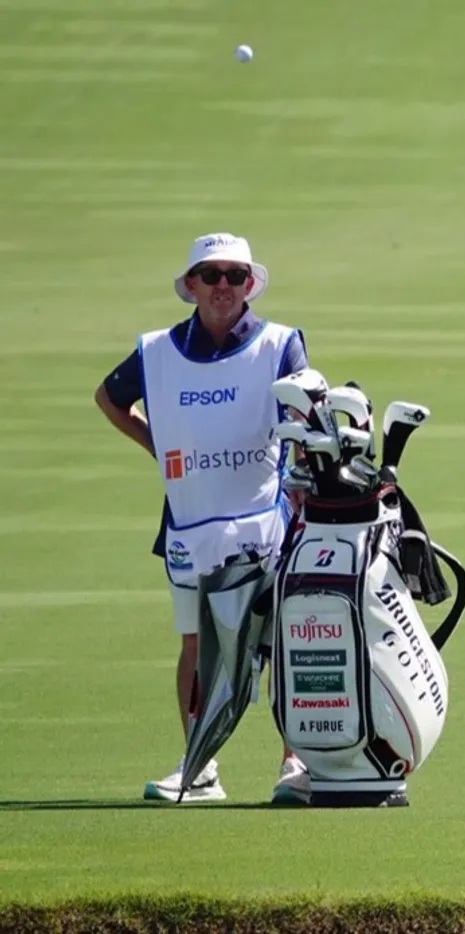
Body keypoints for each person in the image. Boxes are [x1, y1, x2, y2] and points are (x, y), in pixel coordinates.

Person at [95, 232, 312, 804]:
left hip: (266, 520)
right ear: (191, 285)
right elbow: (110, 398)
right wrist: (161, 449)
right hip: (190, 524)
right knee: (195, 643)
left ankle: (296, 762)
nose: (223, 286)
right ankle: (199, 767)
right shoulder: (156, 351)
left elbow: (305, 417)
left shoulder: (280, 345)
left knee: (282, 639)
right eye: (211, 275)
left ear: (250, 285)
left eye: (235, 276)